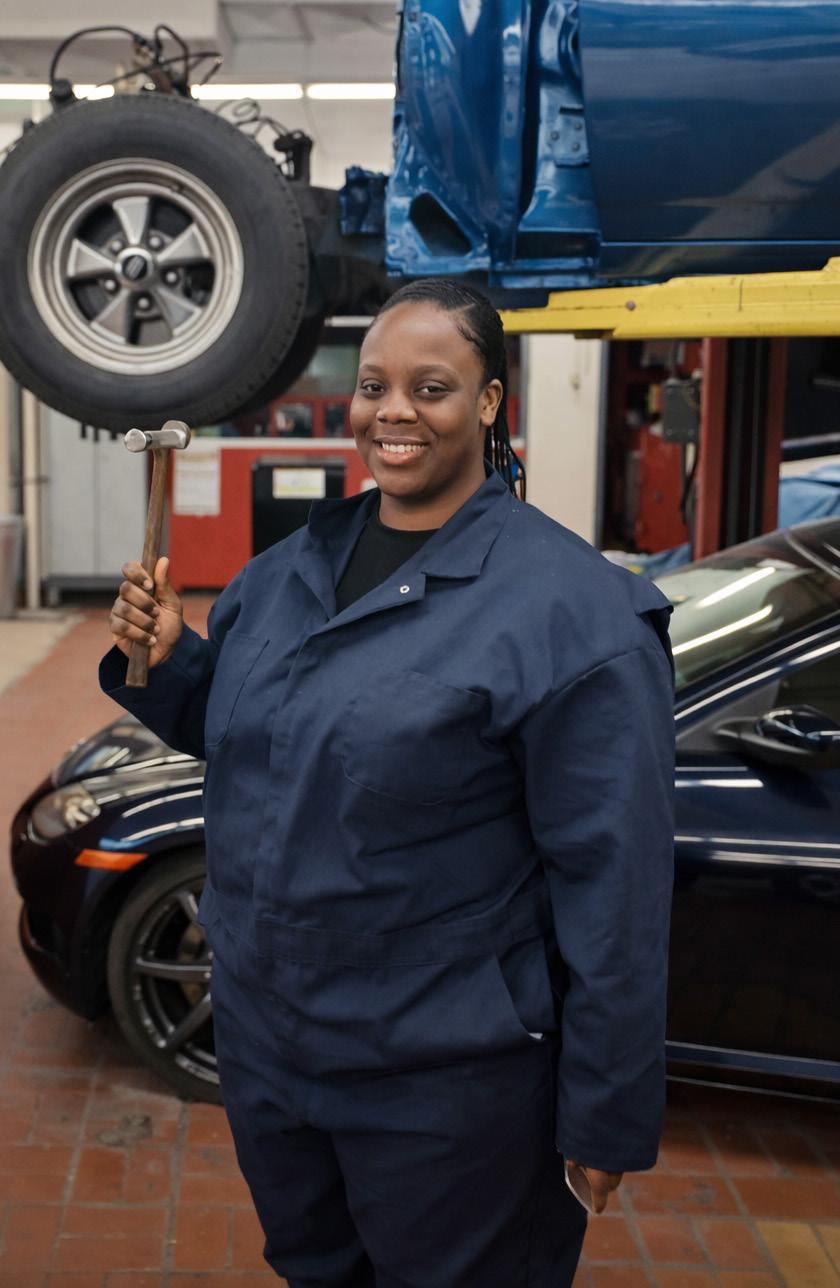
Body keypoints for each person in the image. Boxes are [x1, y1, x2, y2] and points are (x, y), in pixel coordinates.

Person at [101, 278, 675, 1288]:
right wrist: (176, 663)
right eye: (374, 386)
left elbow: (615, 890)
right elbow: (265, 750)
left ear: (490, 401)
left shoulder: (572, 616)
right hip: (274, 1053)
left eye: (431, 387)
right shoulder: (287, 570)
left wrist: (606, 1108)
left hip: (446, 1084)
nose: (392, 411)